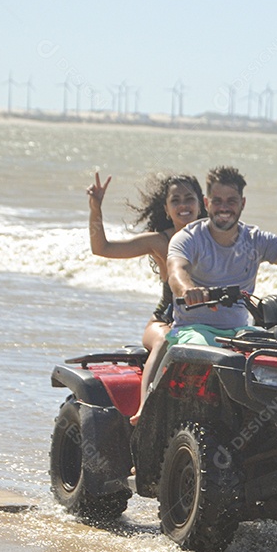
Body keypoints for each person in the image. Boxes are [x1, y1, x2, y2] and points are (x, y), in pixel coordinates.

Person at [166, 165, 277, 346]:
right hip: (192, 330)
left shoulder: (255, 240)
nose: (224, 208)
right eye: (217, 201)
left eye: (231, 201)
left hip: (239, 331)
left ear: (243, 203)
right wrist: (187, 289)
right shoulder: (188, 238)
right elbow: (177, 271)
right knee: (205, 350)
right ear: (207, 203)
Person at [86, 170, 206, 423]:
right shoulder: (159, 241)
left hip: (206, 323)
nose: (183, 206)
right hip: (164, 322)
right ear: (166, 209)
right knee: (166, 341)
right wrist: (95, 208)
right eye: (175, 200)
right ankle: (145, 409)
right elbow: (102, 249)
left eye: (189, 199)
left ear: (202, 203)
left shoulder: (217, 239)